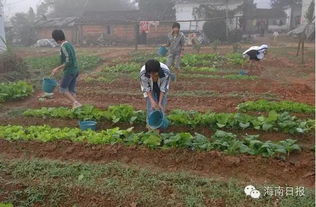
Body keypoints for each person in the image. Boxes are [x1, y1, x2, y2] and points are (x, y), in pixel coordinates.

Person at [50, 29, 82, 109]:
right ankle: (75, 107)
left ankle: (76, 103)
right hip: (75, 70)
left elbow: (68, 61)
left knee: (62, 89)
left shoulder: (64, 46)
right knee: (71, 90)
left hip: (70, 71)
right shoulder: (69, 44)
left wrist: (57, 69)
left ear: (56, 39)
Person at [140, 59, 171, 128]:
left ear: (158, 71)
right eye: (150, 74)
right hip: (149, 87)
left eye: (154, 73)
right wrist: (152, 101)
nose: (152, 76)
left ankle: (161, 124)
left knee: (162, 105)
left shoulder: (165, 73)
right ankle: (150, 125)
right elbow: (147, 89)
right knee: (151, 105)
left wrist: (159, 103)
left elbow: (163, 89)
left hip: (160, 86)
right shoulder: (143, 74)